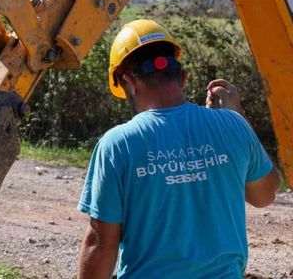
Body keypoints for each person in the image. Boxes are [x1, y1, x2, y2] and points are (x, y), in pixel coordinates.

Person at [76, 19, 281, 279]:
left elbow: (100, 243)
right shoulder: (233, 125)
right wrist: (238, 118)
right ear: (182, 78)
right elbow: (265, 195)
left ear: (129, 82)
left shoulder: (118, 145)